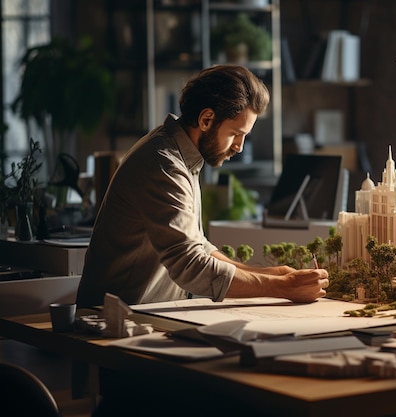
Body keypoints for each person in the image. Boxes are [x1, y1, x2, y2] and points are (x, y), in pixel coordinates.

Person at [76, 65, 328, 308]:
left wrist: (272, 275)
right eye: (235, 133)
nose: (239, 146)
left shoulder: (182, 156)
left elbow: (197, 246)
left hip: (141, 319)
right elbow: (190, 263)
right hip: (112, 324)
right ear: (206, 119)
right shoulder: (163, 163)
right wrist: (282, 287)